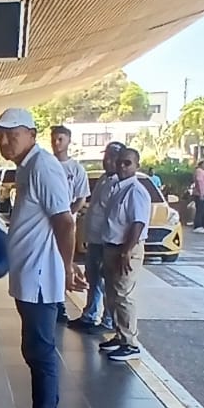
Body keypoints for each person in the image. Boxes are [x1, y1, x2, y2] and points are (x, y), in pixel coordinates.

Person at [0, 109, 84, 408]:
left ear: (31, 133)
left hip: (40, 277)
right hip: (29, 273)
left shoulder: (43, 166)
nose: (3, 140)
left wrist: (68, 266)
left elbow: (65, 221)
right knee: (35, 349)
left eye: (11, 133)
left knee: (40, 352)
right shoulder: (28, 166)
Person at [99, 147, 150, 362]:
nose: (122, 166)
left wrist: (126, 251)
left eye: (127, 163)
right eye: (120, 162)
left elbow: (137, 223)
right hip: (112, 247)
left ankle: (130, 343)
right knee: (112, 295)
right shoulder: (118, 187)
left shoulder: (136, 191)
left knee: (123, 295)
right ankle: (120, 336)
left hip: (125, 249)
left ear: (136, 166)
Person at [70, 141, 123, 334]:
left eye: (111, 157)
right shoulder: (103, 179)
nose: (107, 161)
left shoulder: (119, 183)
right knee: (93, 279)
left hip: (106, 242)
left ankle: (107, 320)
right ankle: (89, 314)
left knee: (107, 282)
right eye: (105, 156)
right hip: (94, 240)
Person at [50, 125, 90, 324]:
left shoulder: (76, 169)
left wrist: (68, 215)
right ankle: (52, 301)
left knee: (64, 262)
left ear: (68, 141)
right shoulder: (46, 164)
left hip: (65, 223)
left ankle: (60, 303)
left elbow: (81, 196)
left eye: (60, 139)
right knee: (49, 262)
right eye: (54, 139)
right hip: (47, 224)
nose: (56, 143)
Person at [191, 160, 204, 233]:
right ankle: (197, 226)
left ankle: (199, 225)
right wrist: (201, 194)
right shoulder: (199, 171)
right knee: (199, 210)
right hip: (200, 194)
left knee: (201, 210)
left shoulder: (203, 172)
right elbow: (199, 183)